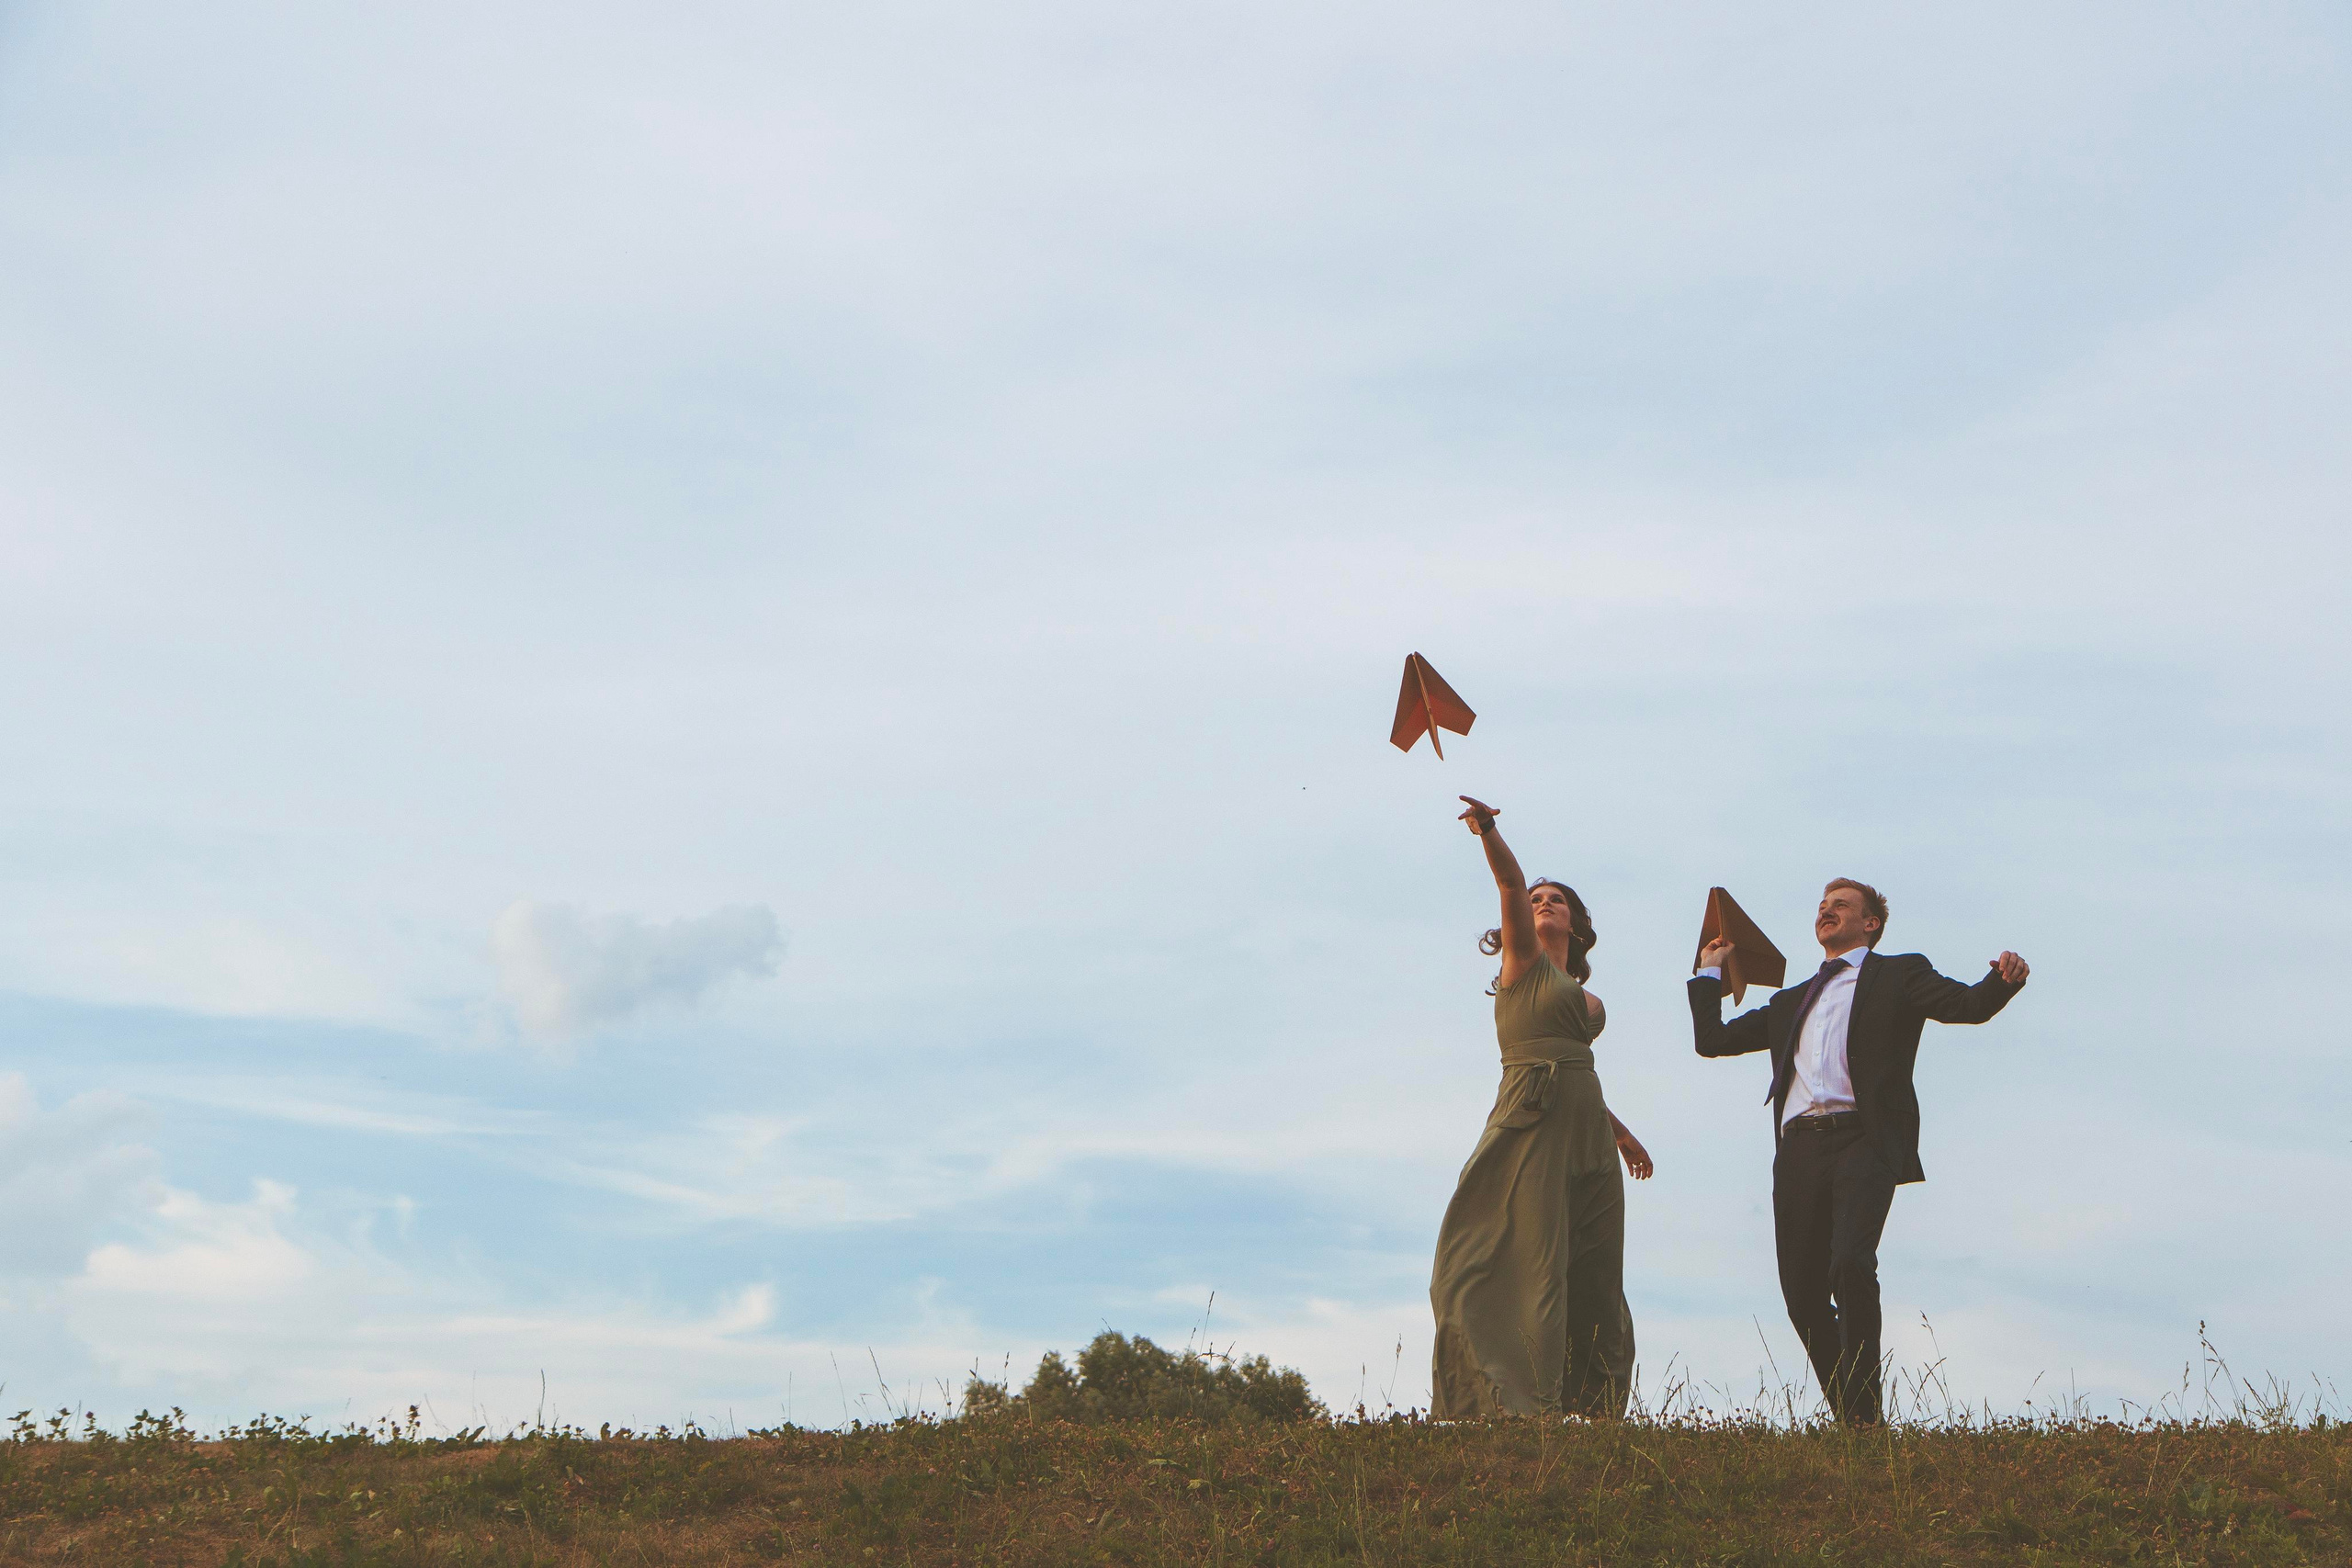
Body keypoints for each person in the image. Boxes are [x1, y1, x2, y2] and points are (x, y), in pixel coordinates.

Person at [1691, 878, 2030, 1426]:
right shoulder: (1789, 1001)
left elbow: (1966, 1004)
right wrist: (1710, 970)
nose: (1827, 911)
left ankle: (1865, 1417)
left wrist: (2002, 980)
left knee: (1849, 1262)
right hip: (1799, 1150)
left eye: (1841, 905)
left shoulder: (1898, 973)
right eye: (1822, 906)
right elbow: (1712, 1040)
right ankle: (1854, 1417)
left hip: (1863, 1139)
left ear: (1870, 923)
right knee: (1801, 1296)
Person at [1430, 795, 1653, 1419]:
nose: (1543, 902)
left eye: (1557, 899)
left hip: (1586, 1132)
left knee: (1594, 1272)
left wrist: (1621, 1133)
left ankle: (1597, 1405)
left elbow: (1577, 1070)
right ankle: (1521, 1404)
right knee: (1524, 1258)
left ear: (1577, 926)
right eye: (1536, 899)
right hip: (1529, 1120)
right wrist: (1488, 830)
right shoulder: (1521, 964)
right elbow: (1507, 878)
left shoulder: (1590, 1001)